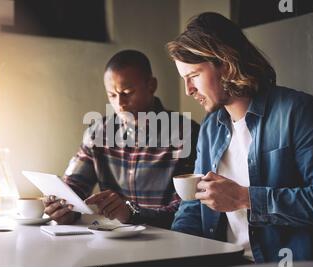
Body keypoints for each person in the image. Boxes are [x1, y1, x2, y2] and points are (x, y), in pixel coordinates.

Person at [167, 12, 313, 263]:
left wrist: (245, 198)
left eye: (194, 76)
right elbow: (193, 205)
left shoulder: (299, 112)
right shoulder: (211, 127)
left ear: (226, 63)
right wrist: (175, 256)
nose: (189, 90)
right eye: (184, 80)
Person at [44, 50, 200, 229]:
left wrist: (132, 213)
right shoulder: (98, 133)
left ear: (151, 85)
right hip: (113, 239)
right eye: (112, 95)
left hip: (167, 240)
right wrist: (63, 208)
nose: (120, 103)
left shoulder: (186, 133)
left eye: (127, 92)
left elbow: (186, 209)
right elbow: (73, 187)